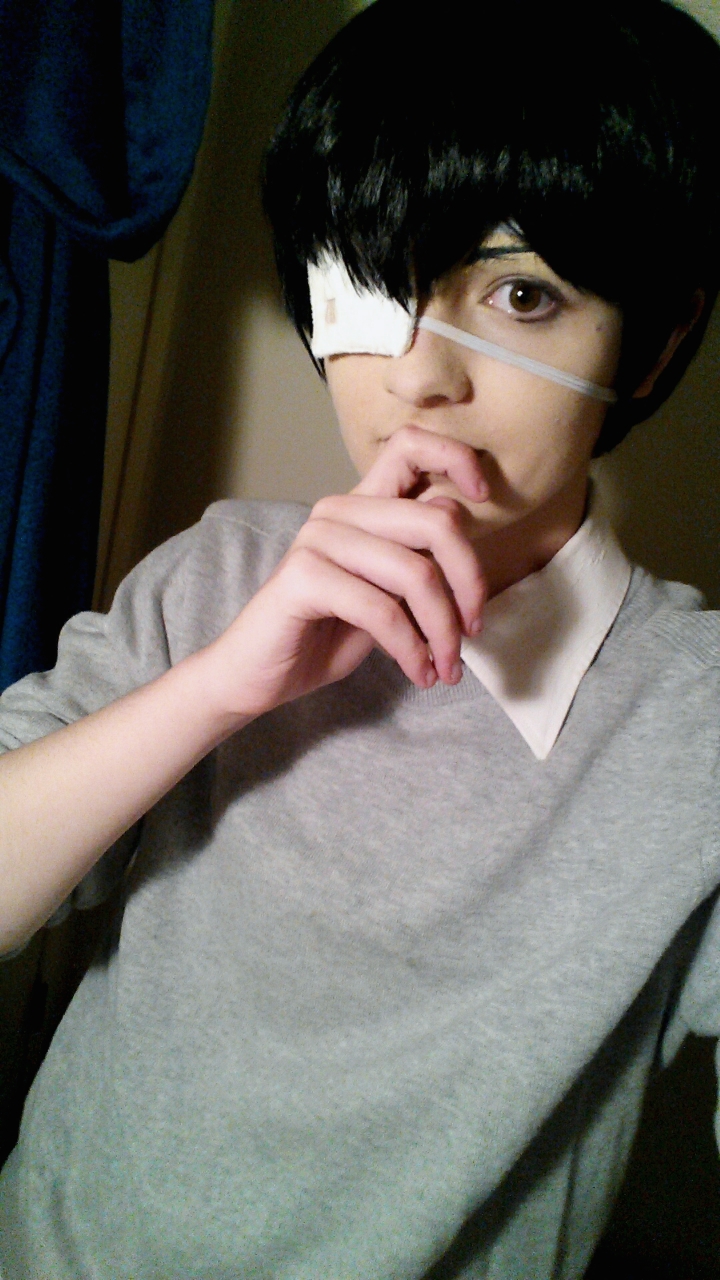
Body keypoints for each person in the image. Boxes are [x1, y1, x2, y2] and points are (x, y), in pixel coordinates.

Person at [0, 0, 719, 1275]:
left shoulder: (698, 720)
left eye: (520, 293)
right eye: (376, 284)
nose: (421, 376)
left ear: (654, 349)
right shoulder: (218, 573)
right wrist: (219, 688)